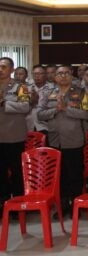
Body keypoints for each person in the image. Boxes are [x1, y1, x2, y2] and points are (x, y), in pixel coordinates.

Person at [38, 64, 88, 217]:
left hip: (74, 139)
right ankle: (62, 204)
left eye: (66, 73)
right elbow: (40, 114)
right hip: (55, 140)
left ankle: (76, 205)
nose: (63, 76)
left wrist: (66, 109)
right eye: (60, 73)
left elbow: (86, 114)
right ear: (55, 77)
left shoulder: (81, 92)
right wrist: (56, 109)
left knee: (75, 174)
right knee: (59, 175)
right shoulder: (48, 93)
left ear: (71, 75)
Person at [0, 57, 32, 212]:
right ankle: (3, 203)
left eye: (4, 67)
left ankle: (18, 204)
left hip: (14, 136)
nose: (0, 70)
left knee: (17, 172)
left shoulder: (20, 87)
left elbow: (25, 107)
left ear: (12, 69)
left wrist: (4, 103)